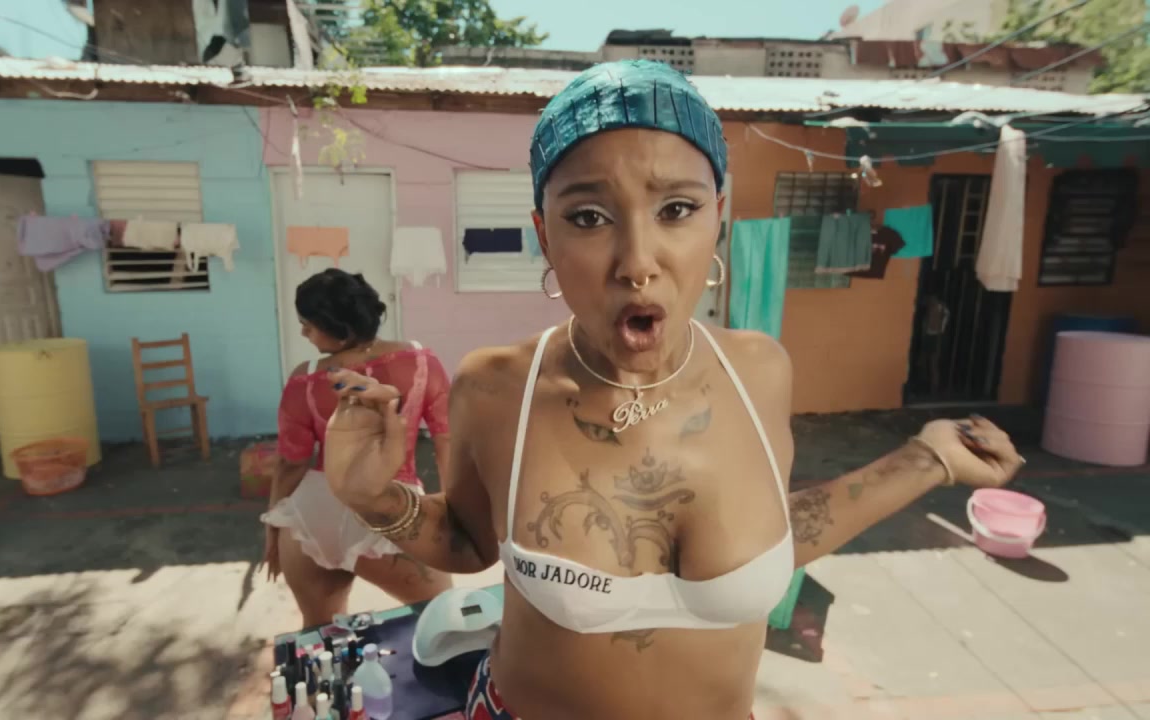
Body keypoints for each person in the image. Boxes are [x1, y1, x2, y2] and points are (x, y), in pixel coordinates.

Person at [318, 61, 1025, 720]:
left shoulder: (761, 372)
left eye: (677, 209)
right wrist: (374, 499)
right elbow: (471, 543)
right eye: (588, 217)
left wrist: (928, 458)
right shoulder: (498, 387)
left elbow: (769, 532)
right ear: (544, 235)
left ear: (718, 215)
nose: (637, 262)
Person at [261, 268, 453, 625]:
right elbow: (448, 441)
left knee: (322, 636)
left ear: (338, 327)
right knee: (444, 623)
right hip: (390, 510)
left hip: (312, 515)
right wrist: (451, 513)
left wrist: (273, 525)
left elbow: (291, 463)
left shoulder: (305, 378)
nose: (303, 333)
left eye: (308, 325)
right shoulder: (420, 362)